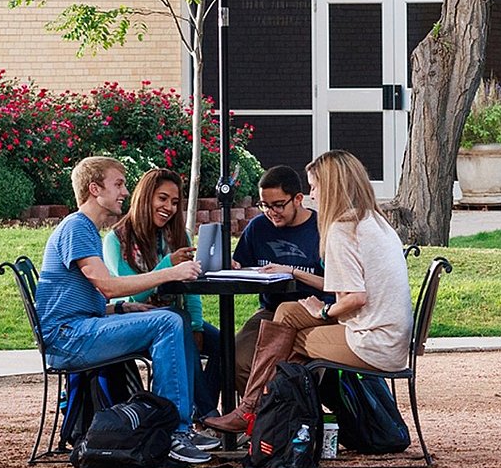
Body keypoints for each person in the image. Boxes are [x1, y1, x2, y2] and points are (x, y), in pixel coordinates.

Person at [202, 150, 414, 435]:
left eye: (314, 186)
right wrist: (295, 274)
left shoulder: (342, 229)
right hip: (390, 336)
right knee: (286, 313)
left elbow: (355, 298)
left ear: (331, 186)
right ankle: (267, 418)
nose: (312, 194)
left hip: (373, 341)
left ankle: (265, 417)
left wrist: (324, 311)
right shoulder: (372, 221)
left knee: (292, 339)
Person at [34, 156, 213, 463]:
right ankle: (174, 433)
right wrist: (169, 272)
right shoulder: (77, 228)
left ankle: (180, 425)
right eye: (118, 184)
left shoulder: (84, 229)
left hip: (78, 330)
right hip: (70, 339)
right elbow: (109, 287)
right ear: (94, 189)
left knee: (173, 320)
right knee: (168, 322)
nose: (125, 192)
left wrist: (124, 310)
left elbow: (84, 299)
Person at [100, 168, 223, 422]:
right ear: (146, 197)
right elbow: (132, 293)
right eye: (162, 198)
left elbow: (192, 289)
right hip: (133, 322)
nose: (169, 207)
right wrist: (168, 266)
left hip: (178, 317)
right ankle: (208, 416)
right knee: (180, 329)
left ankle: (205, 412)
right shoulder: (116, 240)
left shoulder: (178, 235)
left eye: (175, 202)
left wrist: (198, 325)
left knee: (223, 344)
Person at [230, 165, 331, 385]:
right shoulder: (258, 227)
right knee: (237, 359)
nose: (270, 212)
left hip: (315, 312)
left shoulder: (321, 229)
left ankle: (287, 414)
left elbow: (338, 284)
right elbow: (241, 265)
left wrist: (292, 272)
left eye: (277, 205)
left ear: (298, 199)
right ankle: (262, 417)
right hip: (271, 311)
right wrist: (232, 265)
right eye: (264, 205)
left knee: (290, 371)